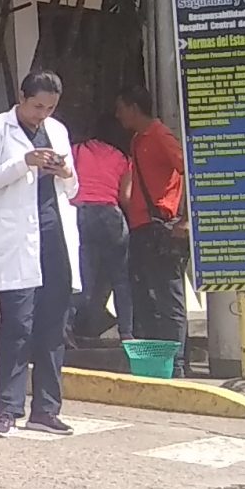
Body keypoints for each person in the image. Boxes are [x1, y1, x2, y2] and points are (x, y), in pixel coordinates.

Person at [0, 72, 80, 437]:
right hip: (17, 239)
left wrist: (63, 169)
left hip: (55, 235)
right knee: (17, 325)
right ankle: (8, 410)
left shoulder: (58, 130)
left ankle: (46, 410)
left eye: (50, 108)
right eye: (37, 106)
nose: (42, 114)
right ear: (22, 97)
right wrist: (26, 161)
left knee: (54, 327)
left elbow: (73, 186)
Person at [116, 85, 188, 344]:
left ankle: (177, 363)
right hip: (141, 227)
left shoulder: (160, 136)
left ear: (134, 109)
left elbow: (189, 171)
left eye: (121, 109)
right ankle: (157, 357)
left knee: (169, 297)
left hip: (161, 227)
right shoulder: (138, 140)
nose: (118, 115)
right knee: (145, 296)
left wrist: (187, 219)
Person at [70, 124, 138, 342]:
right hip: (110, 215)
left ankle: (71, 330)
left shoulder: (77, 150)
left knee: (81, 277)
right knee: (120, 279)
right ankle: (127, 332)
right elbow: (125, 197)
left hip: (81, 214)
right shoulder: (121, 157)